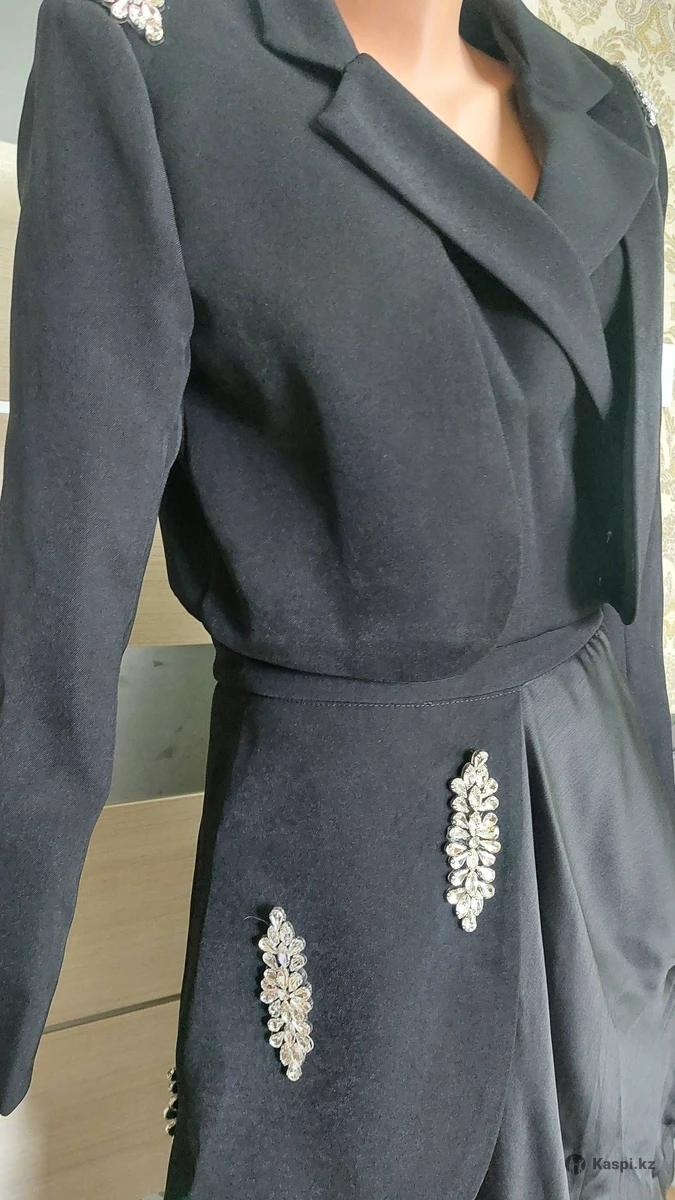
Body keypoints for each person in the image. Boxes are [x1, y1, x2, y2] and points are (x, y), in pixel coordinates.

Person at [0, 0, 674, 1196]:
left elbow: (630, 584)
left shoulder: (602, 106)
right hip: (344, 873)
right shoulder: (153, 61)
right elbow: (56, 600)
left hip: (597, 857)